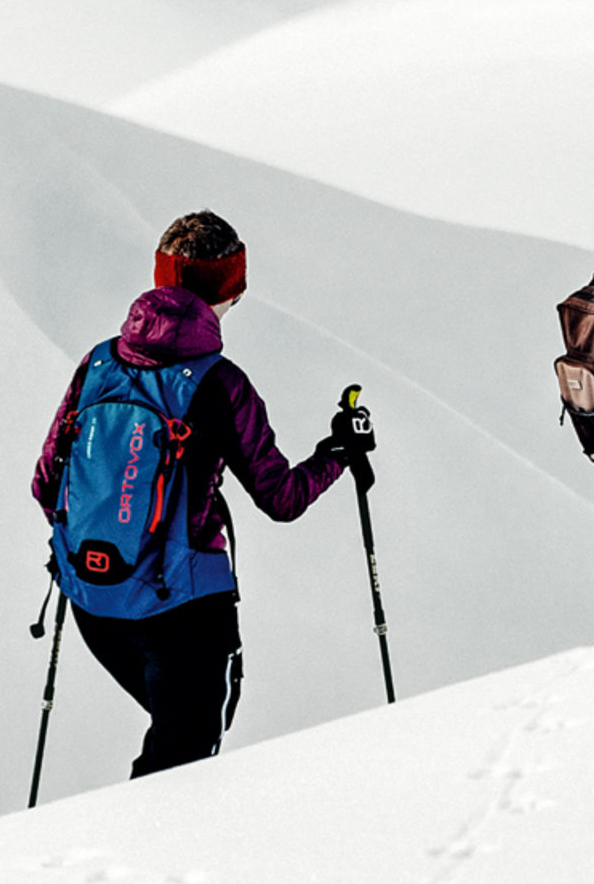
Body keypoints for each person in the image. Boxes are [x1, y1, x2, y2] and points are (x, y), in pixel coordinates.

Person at [29, 211, 369, 776]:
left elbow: (46, 484)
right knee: (188, 758)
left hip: (94, 600)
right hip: (182, 611)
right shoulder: (221, 382)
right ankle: (130, 836)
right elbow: (281, 499)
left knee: (173, 749)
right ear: (231, 291)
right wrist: (340, 453)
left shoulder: (99, 362)